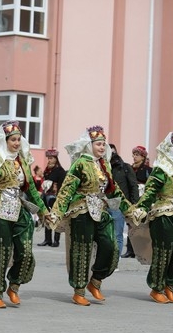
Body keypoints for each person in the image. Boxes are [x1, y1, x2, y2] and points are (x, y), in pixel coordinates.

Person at [46, 127, 133, 306]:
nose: (102, 147)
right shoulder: (80, 164)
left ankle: (95, 281)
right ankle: (78, 290)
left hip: (101, 211)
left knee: (111, 247)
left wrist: (130, 210)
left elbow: (114, 190)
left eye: (103, 144)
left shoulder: (104, 164)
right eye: (98, 144)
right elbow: (66, 190)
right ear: (89, 145)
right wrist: (56, 213)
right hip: (82, 212)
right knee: (81, 251)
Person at [0, 120, 48, 308]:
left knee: (26, 251)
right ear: (4, 141)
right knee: (0, 252)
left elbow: (33, 191)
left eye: (19, 139)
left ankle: (14, 285)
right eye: (13, 139)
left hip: (19, 209)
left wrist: (44, 210)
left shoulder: (22, 162)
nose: (17, 143)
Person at [129, 131, 173, 304]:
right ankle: (156, 287)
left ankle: (170, 286)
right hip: (164, 214)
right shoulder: (162, 168)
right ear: (170, 150)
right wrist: (142, 208)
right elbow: (150, 191)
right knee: (163, 252)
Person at [108, 143, 139, 257]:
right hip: (103, 204)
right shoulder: (101, 167)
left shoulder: (125, 167)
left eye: (113, 151)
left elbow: (133, 186)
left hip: (119, 204)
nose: (111, 154)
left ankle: (115, 260)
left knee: (117, 234)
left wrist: (134, 204)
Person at [37, 148, 66, 247]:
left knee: (56, 217)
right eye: (48, 158)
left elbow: (62, 184)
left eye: (51, 158)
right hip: (46, 196)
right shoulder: (47, 170)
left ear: (55, 159)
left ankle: (56, 240)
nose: (49, 160)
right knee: (47, 217)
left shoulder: (60, 170)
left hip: (55, 197)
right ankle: (47, 239)